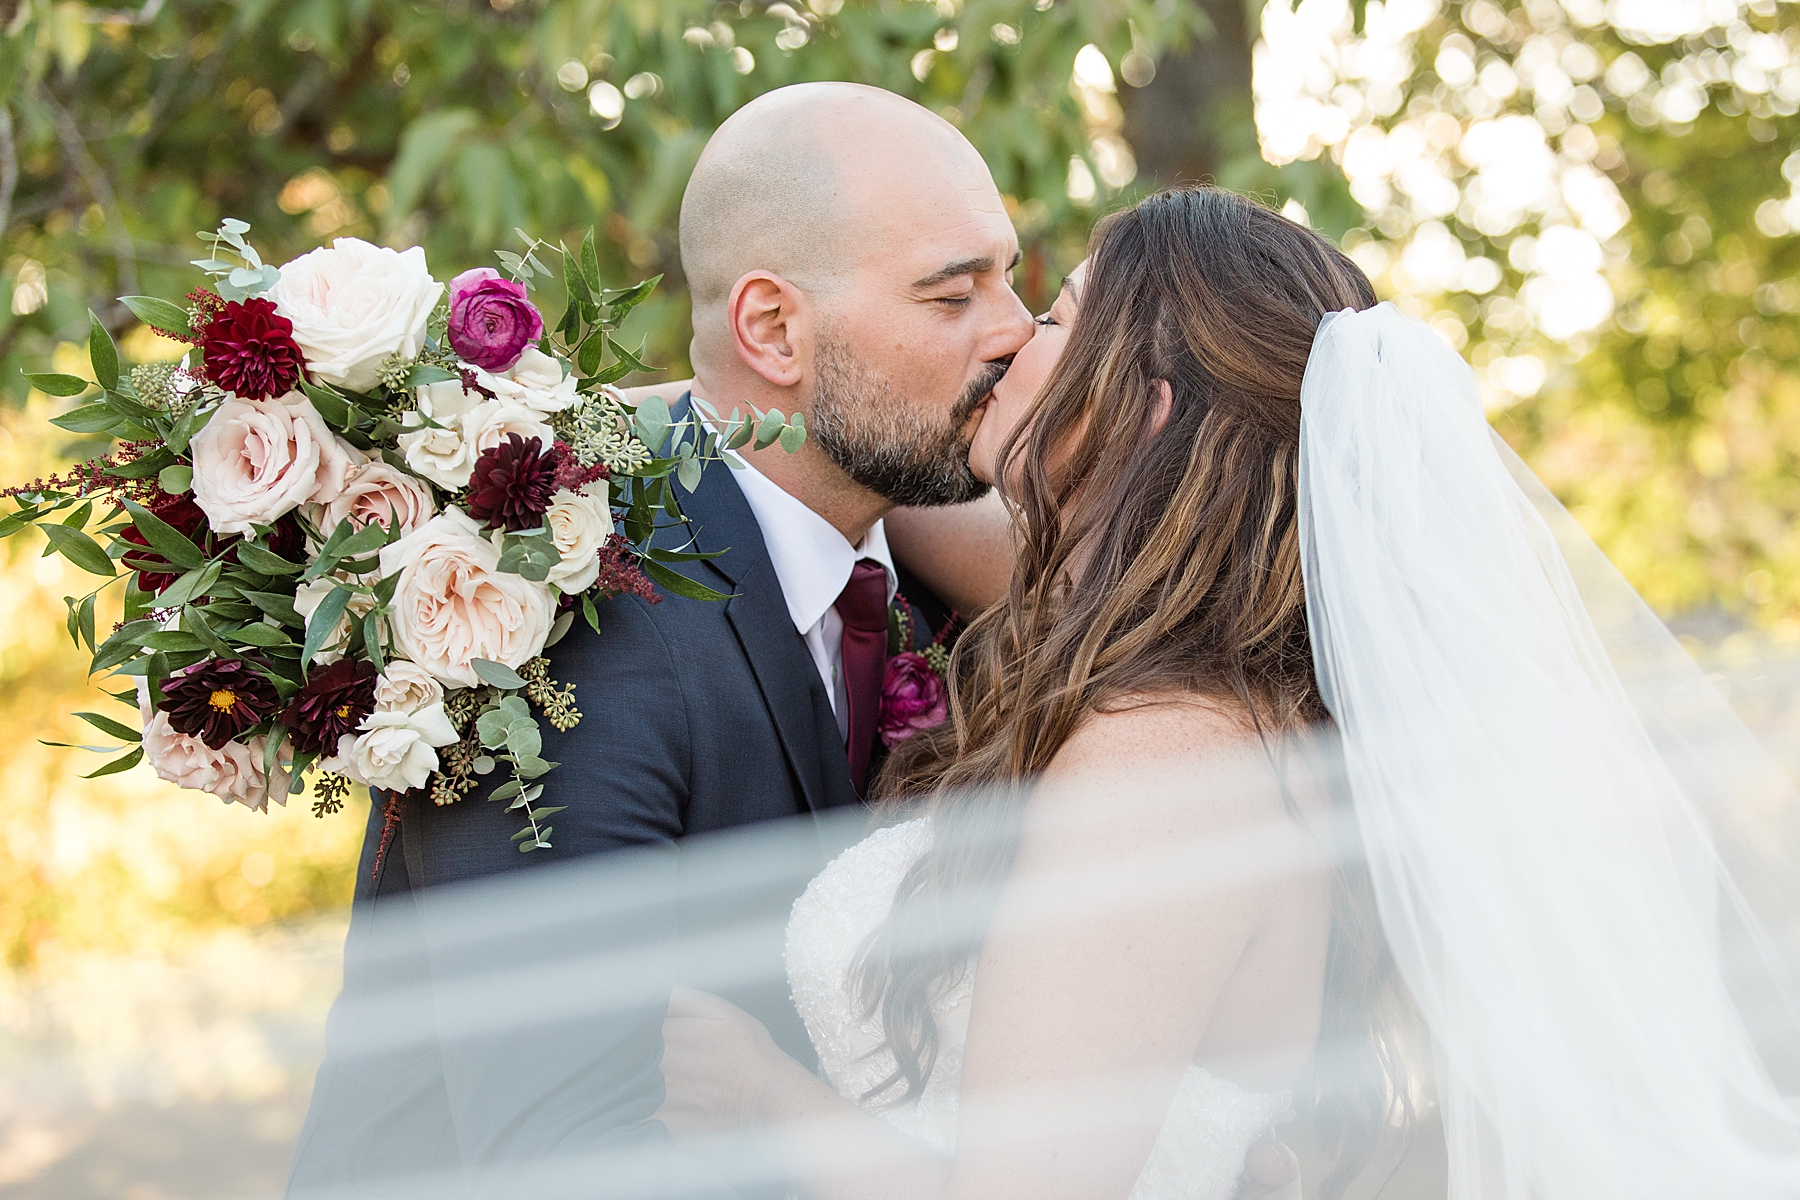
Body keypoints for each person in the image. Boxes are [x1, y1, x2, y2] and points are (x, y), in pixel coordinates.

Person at [655, 185, 1800, 1200]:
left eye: (1055, 318)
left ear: (1145, 409)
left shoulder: (1167, 758)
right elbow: (847, 469)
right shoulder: (1184, 671)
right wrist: (557, 436)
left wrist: (760, 1099)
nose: (1009, 338)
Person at [286, 83, 1306, 1200]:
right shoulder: (552, 611)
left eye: (1016, 282)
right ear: (772, 330)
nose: (1012, 332)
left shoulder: (980, 581)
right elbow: (565, 1154)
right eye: (954, 294)